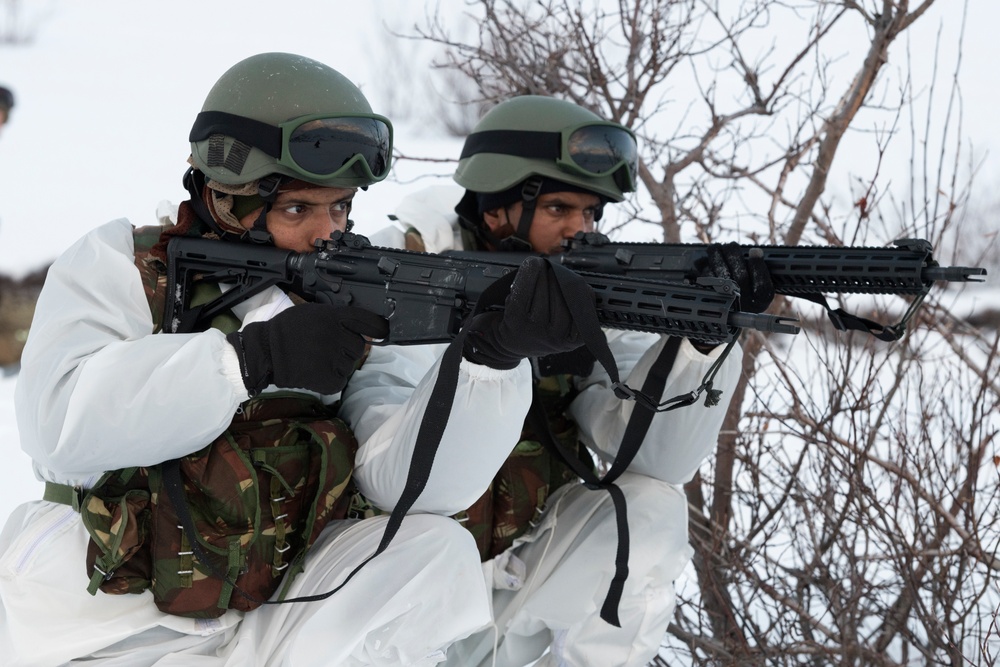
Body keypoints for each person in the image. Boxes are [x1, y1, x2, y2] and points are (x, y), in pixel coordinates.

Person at [0, 53, 581, 667]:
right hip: (107, 623)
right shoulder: (125, 264)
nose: (325, 233)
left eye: (339, 208)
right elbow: (56, 424)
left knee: (433, 547)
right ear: (227, 200)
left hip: (268, 613)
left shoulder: (341, 299)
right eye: (298, 210)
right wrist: (246, 363)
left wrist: (488, 364)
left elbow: (407, 483)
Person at [351, 96, 774, 666]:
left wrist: (697, 342)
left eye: (592, 213)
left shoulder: (580, 288)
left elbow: (655, 457)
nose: (582, 230)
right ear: (496, 210)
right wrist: (490, 353)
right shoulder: (404, 269)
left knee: (649, 506)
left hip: (512, 578)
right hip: (386, 605)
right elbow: (388, 463)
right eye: (559, 208)